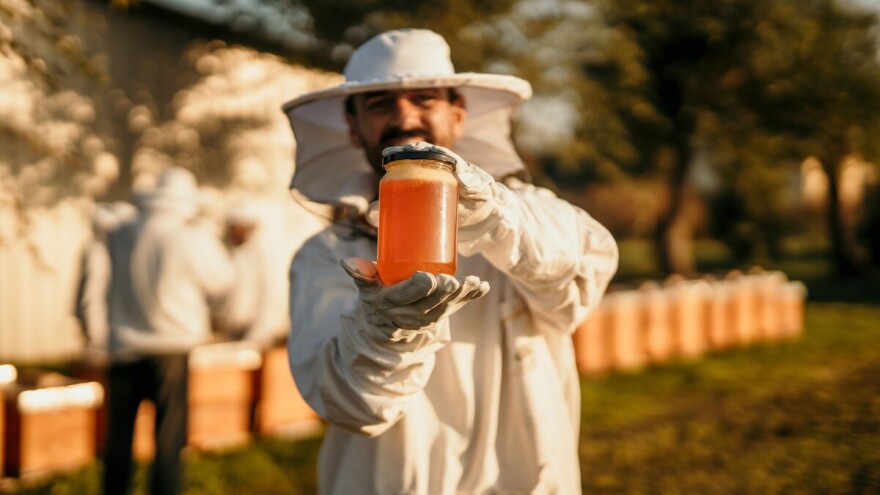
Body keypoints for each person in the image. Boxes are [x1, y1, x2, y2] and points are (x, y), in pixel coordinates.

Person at [282, 28, 619, 495]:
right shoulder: (324, 256)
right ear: (353, 125)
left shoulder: (522, 215)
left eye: (425, 99)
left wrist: (489, 213)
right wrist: (386, 330)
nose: (405, 117)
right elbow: (352, 406)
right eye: (379, 104)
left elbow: (585, 267)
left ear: (458, 115)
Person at [99, 167, 234, 495]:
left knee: (118, 438)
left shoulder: (121, 232)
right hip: (171, 351)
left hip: (122, 347)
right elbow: (222, 282)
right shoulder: (189, 237)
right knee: (168, 440)